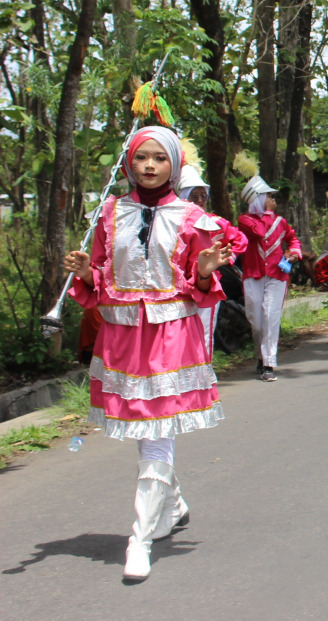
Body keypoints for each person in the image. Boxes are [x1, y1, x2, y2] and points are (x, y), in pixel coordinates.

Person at [64, 125, 233, 581]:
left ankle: (138, 540)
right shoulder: (109, 212)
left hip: (170, 335)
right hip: (121, 336)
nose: (151, 166)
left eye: (160, 158)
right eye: (143, 158)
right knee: (144, 430)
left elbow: (203, 286)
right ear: (130, 163)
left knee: (157, 431)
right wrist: (84, 273)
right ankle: (172, 503)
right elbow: (101, 281)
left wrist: (201, 272)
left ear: (174, 164)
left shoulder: (192, 215)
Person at [237, 173, 302, 382]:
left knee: (270, 317)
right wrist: (267, 213)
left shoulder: (281, 222)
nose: (274, 200)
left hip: (277, 275)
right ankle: (261, 354)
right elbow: (260, 232)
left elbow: (293, 240)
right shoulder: (245, 220)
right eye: (268, 196)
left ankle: (268, 363)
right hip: (253, 274)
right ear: (258, 199)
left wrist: (293, 253)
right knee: (256, 321)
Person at [178, 159, 246, 355]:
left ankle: (205, 378)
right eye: (194, 196)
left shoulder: (215, 222)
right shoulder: (171, 224)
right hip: (179, 287)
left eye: (203, 196)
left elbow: (240, 240)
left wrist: (227, 258)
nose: (199, 201)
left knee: (204, 332)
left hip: (206, 284)